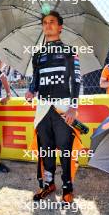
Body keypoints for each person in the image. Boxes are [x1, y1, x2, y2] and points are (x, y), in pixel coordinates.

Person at [25, 11, 81, 203]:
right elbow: (36, 81)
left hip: (63, 108)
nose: (48, 25)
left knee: (65, 149)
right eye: (45, 22)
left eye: (52, 22)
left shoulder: (70, 51)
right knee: (45, 149)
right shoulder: (38, 55)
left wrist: (73, 108)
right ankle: (48, 184)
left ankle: (67, 187)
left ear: (60, 27)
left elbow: (77, 81)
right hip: (42, 109)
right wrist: (31, 91)